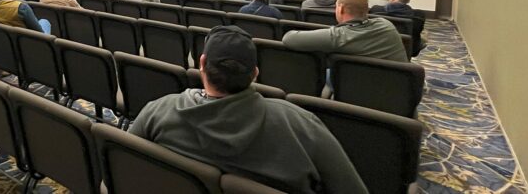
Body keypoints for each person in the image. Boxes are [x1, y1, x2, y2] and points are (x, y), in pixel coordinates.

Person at [128, 26, 367, 194]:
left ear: (201, 64)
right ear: (255, 73)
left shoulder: (159, 110)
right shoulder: (299, 124)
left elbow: (127, 165)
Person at [283, 0, 408, 62]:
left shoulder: (339, 36)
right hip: (399, 93)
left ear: (341, 9)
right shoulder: (386, 25)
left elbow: (289, 38)